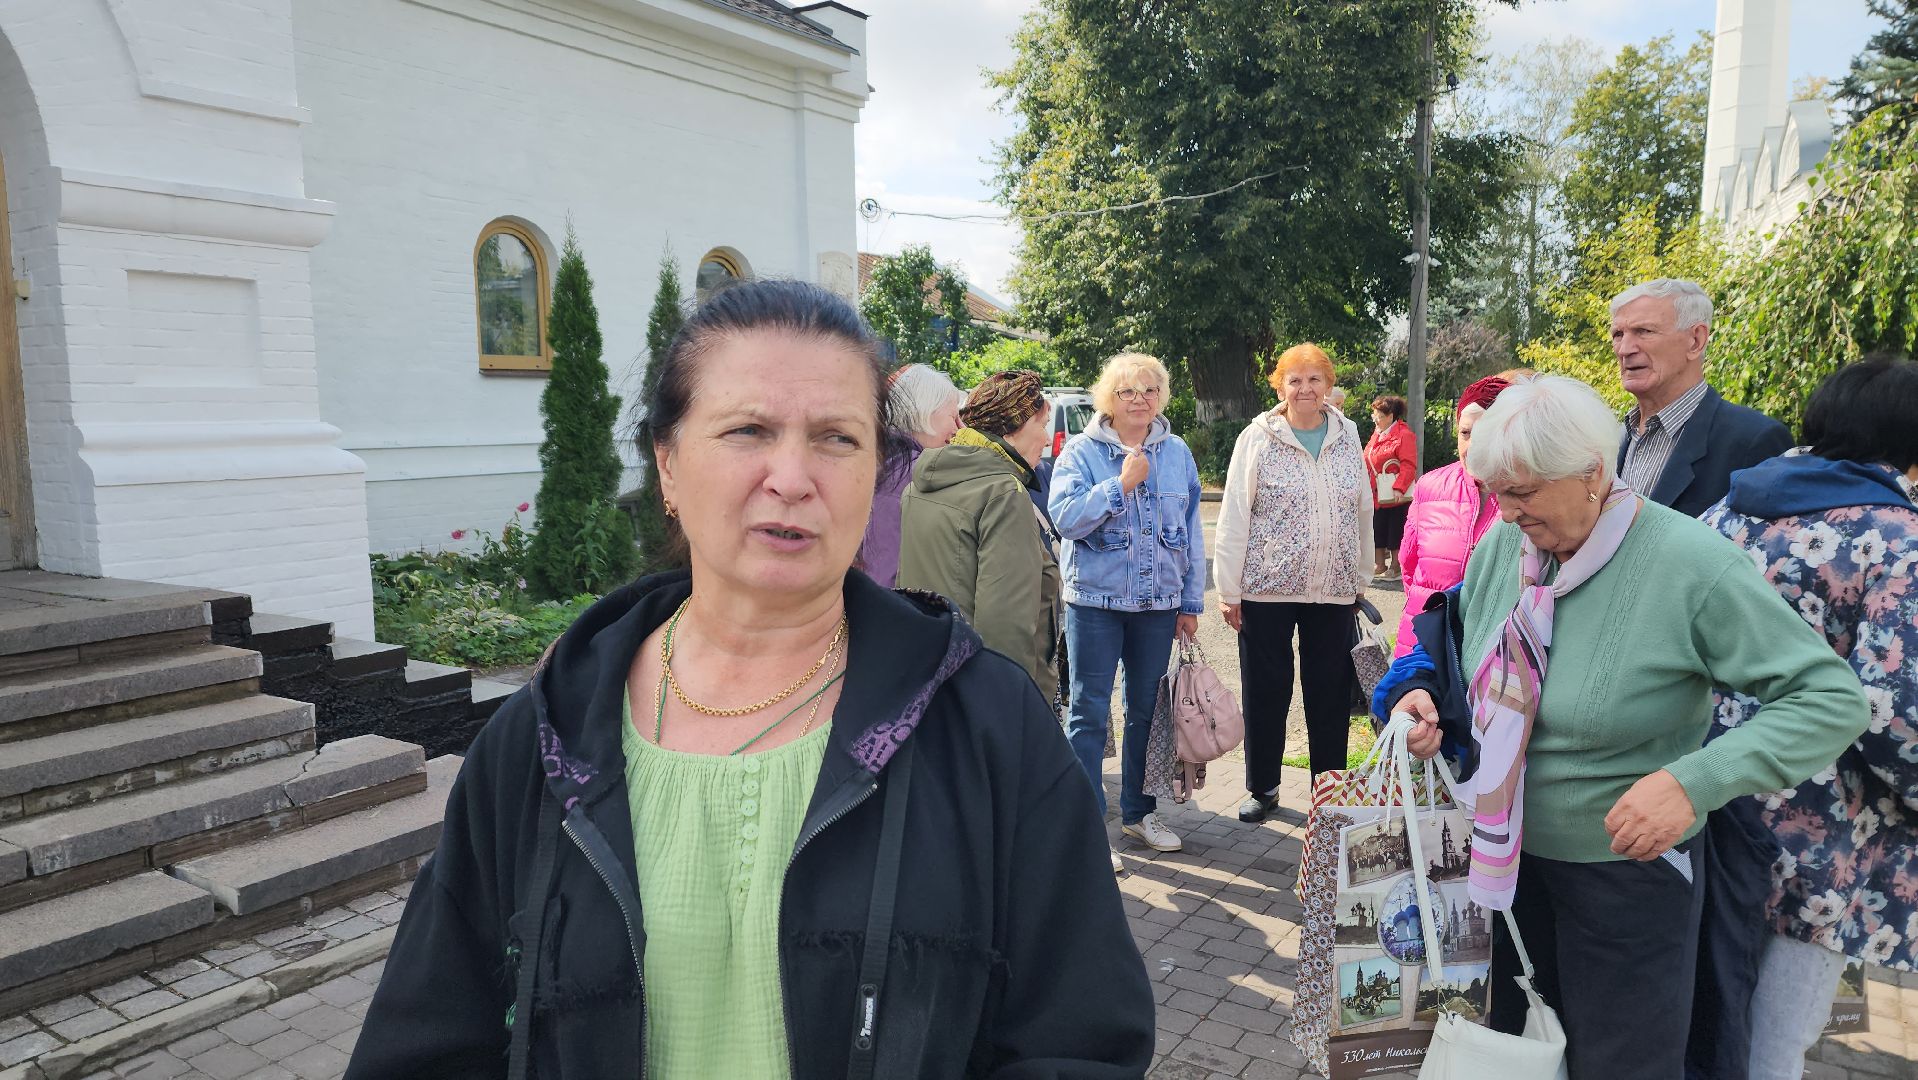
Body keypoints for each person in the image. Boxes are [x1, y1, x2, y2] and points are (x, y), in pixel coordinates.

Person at [346, 281, 1154, 1079]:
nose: (793, 477)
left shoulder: (986, 729)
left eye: (837, 438)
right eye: (748, 430)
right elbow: (430, 1043)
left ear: (879, 473)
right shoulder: (543, 742)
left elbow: (1081, 1040)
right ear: (667, 465)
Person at [1380, 374, 1868, 1080]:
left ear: (1590, 475)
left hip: (1628, 881)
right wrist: (1421, 696)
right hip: (1505, 869)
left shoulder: (1690, 564)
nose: (1505, 511)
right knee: (1518, 1058)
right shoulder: (1507, 549)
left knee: (1622, 1065)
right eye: (1496, 491)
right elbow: (1453, 648)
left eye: (1522, 492)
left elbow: (1829, 697)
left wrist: (1693, 781)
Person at [1698, 355, 1918, 1080]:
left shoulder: (1724, 513)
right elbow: (1893, 711)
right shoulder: (1895, 540)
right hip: (1821, 821)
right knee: (1777, 1038)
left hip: (1697, 795)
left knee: (1701, 1014)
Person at [1049, 352, 1205, 867]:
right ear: (1107, 399)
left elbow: (1191, 528)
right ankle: (1087, 826)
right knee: (1088, 714)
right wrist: (1121, 485)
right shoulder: (1080, 451)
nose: (1140, 399)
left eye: (1149, 390)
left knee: (1144, 712)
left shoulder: (1177, 451)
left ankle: (1138, 813)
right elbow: (1066, 518)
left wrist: (1189, 601)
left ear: (1162, 396)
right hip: (1094, 602)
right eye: (1127, 391)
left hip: (1158, 604)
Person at [1213, 343, 1373, 822]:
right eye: (1295, 380)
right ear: (1280, 387)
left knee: (1328, 692)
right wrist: (1227, 589)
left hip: (1335, 589)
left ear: (1329, 385)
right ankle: (1263, 786)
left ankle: (1329, 792)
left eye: (1314, 380)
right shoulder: (1258, 438)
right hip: (1265, 590)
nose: (1305, 389)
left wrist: (1361, 576)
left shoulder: (1348, 433)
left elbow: (1362, 508)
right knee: (1266, 689)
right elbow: (1235, 515)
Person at [897, 369, 1062, 702]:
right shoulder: (1003, 492)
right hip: (990, 700)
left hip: (932, 687)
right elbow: (1007, 630)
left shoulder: (920, 486)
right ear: (1012, 428)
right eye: (1042, 426)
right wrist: (1007, 717)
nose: (1047, 440)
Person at [1611, 279, 1793, 516]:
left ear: (1696, 340)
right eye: (1618, 334)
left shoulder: (1754, 441)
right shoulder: (1609, 441)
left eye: (1644, 331)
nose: (1624, 349)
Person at [1392, 376, 1510, 658]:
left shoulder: (1528, 495)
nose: (1472, 445)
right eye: (1465, 433)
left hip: (1492, 655)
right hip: (1422, 649)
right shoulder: (1429, 487)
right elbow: (1408, 567)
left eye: (1485, 434)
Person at [859, 363, 963, 587]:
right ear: (925, 410)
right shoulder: (910, 474)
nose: (959, 429)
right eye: (953, 417)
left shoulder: (883, 459)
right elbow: (886, 570)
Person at [1365, 395, 1418, 580]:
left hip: (1394, 492)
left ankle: (1395, 565)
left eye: (1378, 415)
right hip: (1377, 491)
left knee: (1395, 528)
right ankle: (1380, 563)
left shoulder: (1404, 434)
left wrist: (1399, 487)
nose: (1375, 419)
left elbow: (1408, 464)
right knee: (1377, 527)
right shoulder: (1378, 434)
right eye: (1375, 415)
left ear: (1390, 416)